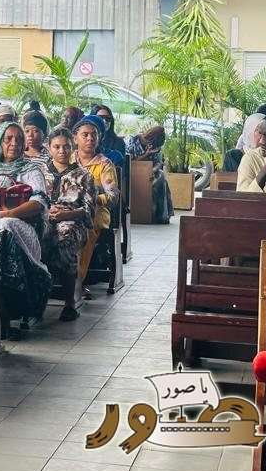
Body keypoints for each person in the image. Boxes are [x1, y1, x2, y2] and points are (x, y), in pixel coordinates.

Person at [0, 122, 52, 333]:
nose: (14, 143)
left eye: (19, 139)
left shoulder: (32, 170)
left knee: (3, 229)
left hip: (22, 227)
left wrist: (5, 214)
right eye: (8, 138)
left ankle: (1, 308)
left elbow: (39, 203)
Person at [40, 129, 95, 322]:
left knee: (65, 236)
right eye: (57, 147)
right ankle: (34, 300)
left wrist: (66, 214)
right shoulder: (39, 172)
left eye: (66, 147)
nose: (62, 151)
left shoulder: (84, 175)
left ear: (72, 147)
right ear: (49, 148)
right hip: (42, 218)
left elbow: (88, 211)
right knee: (33, 236)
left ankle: (70, 302)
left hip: (72, 221)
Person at [71, 115, 119, 292]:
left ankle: (76, 281)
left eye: (94, 135)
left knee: (85, 228)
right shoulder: (67, 159)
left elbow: (112, 197)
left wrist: (92, 198)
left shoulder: (104, 164)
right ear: (75, 138)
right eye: (85, 135)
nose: (90, 138)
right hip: (68, 209)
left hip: (96, 213)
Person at [126, 126, 174, 224]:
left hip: (149, 172)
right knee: (154, 182)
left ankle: (161, 215)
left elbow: (159, 162)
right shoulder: (132, 141)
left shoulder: (156, 145)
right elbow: (129, 162)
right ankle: (147, 213)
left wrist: (153, 170)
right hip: (132, 173)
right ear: (149, 140)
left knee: (161, 177)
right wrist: (147, 155)